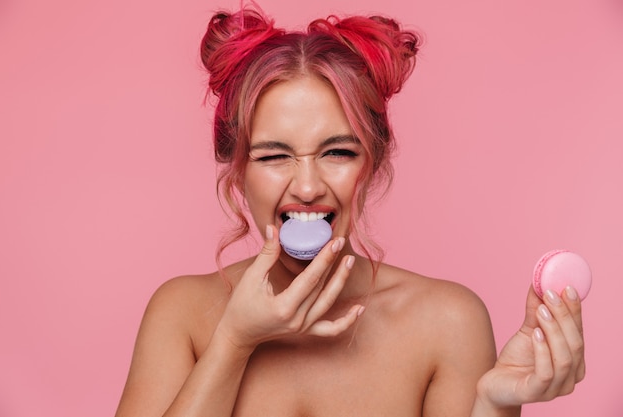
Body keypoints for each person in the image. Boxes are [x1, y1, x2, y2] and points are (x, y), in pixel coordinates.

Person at [115, 5, 585, 417]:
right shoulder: (180, 314)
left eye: (337, 152)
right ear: (238, 170)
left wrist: (495, 406)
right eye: (274, 156)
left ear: (372, 162)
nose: (306, 186)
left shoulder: (448, 321)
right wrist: (234, 342)